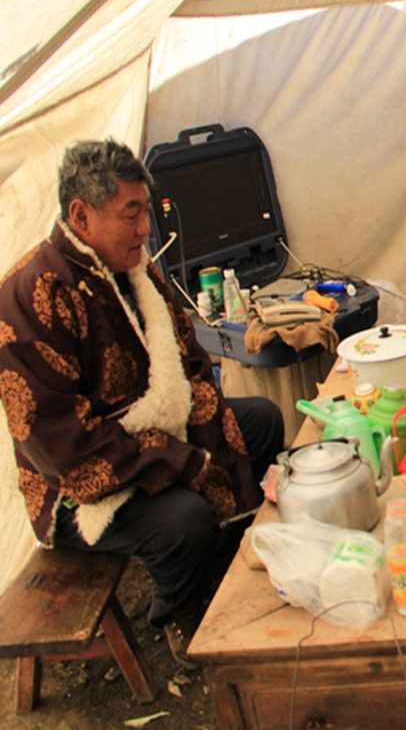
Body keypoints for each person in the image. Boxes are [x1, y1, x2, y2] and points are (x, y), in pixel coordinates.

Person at [0, 139, 284, 668]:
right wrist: (174, 457)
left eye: (146, 212)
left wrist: (199, 424)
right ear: (81, 216)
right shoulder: (27, 297)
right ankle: (178, 613)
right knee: (185, 519)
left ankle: (223, 569)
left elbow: (189, 356)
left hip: (154, 437)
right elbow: (62, 447)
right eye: (131, 214)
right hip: (77, 484)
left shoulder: (135, 271)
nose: (145, 229)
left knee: (261, 422)